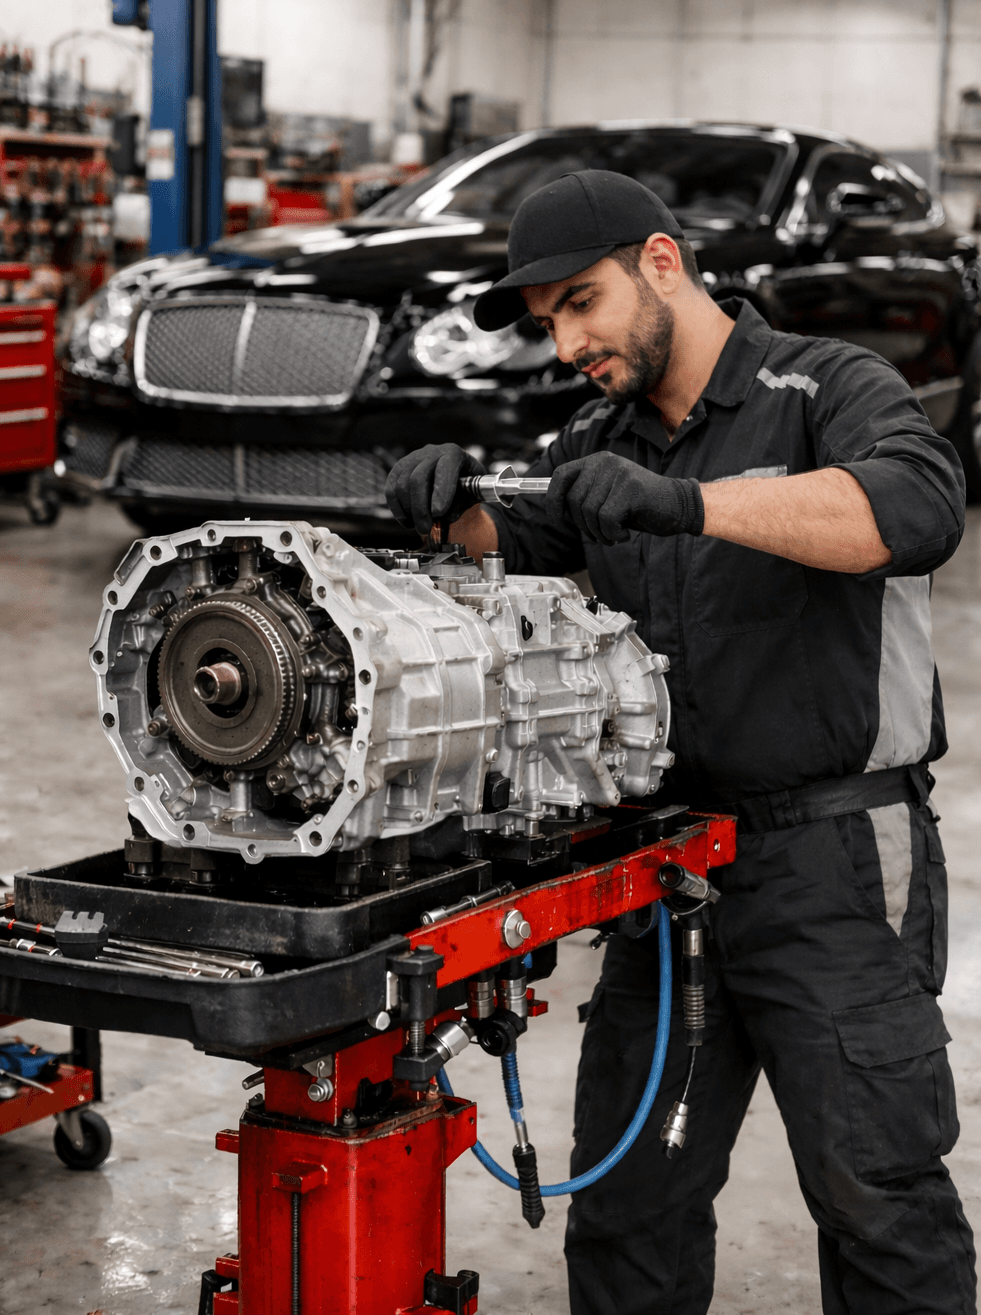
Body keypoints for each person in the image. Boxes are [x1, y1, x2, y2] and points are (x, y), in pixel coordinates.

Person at [385, 170, 975, 1315]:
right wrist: (450, 505)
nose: (567, 343)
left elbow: (915, 511)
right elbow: (536, 533)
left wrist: (699, 505)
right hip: (665, 875)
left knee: (879, 1198)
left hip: (835, 866)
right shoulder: (597, 435)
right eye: (548, 321)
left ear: (662, 263)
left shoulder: (827, 385)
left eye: (580, 303)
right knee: (630, 1210)